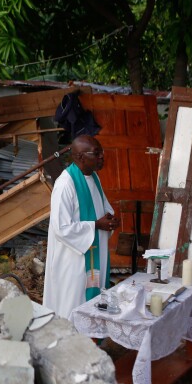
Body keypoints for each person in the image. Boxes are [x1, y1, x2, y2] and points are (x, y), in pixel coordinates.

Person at [43, 135, 120, 320]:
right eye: (97, 153)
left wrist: (110, 219)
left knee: (92, 296)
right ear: (79, 157)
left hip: (93, 257)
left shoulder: (93, 177)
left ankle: (91, 339)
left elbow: (102, 206)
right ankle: (70, 341)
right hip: (74, 259)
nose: (102, 157)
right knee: (73, 301)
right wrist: (96, 224)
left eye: (102, 152)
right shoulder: (65, 184)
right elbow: (61, 228)